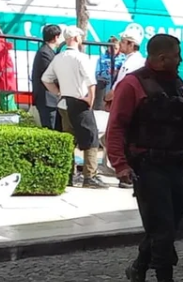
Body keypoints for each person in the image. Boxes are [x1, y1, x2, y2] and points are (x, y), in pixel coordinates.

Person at [106, 34, 183, 282]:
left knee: (168, 224)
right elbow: (116, 126)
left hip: (175, 163)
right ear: (161, 57)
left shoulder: (177, 83)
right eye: (176, 55)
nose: (180, 60)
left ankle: (138, 268)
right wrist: (120, 164)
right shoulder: (133, 84)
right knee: (162, 227)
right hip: (147, 165)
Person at [42, 26, 105, 188]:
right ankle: (90, 176)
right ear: (76, 38)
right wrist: (90, 99)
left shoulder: (58, 58)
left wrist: (58, 92)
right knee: (91, 137)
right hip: (80, 101)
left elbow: (46, 79)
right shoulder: (81, 58)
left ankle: (69, 174)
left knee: (69, 138)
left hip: (64, 102)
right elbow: (91, 81)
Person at [30, 25, 62, 130]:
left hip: (51, 98)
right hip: (47, 99)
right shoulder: (44, 53)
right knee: (50, 128)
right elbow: (51, 76)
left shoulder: (49, 52)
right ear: (56, 37)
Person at [95, 36, 125, 111]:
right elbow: (98, 72)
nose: (113, 50)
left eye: (115, 48)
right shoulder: (102, 58)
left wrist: (117, 71)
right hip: (105, 79)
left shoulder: (123, 58)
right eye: (111, 48)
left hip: (117, 79)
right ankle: (106, 102)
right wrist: (106, 72)